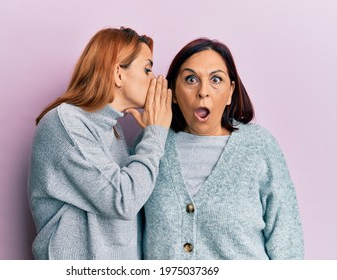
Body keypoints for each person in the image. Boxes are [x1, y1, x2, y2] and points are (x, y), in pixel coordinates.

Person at [138, 38, 304, 259]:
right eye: (190, 79)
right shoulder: (152, 145)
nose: (203, 91)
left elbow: (287, 241)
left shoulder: (259, 146)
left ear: (230, 92)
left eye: (216, 79)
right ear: (174, 93)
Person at [28, 27, 172, 260]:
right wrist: (156, 133)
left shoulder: (111, 129)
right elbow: (123, 200)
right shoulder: (65, 124)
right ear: (118, 73)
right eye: (147, 69)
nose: (154, 79)